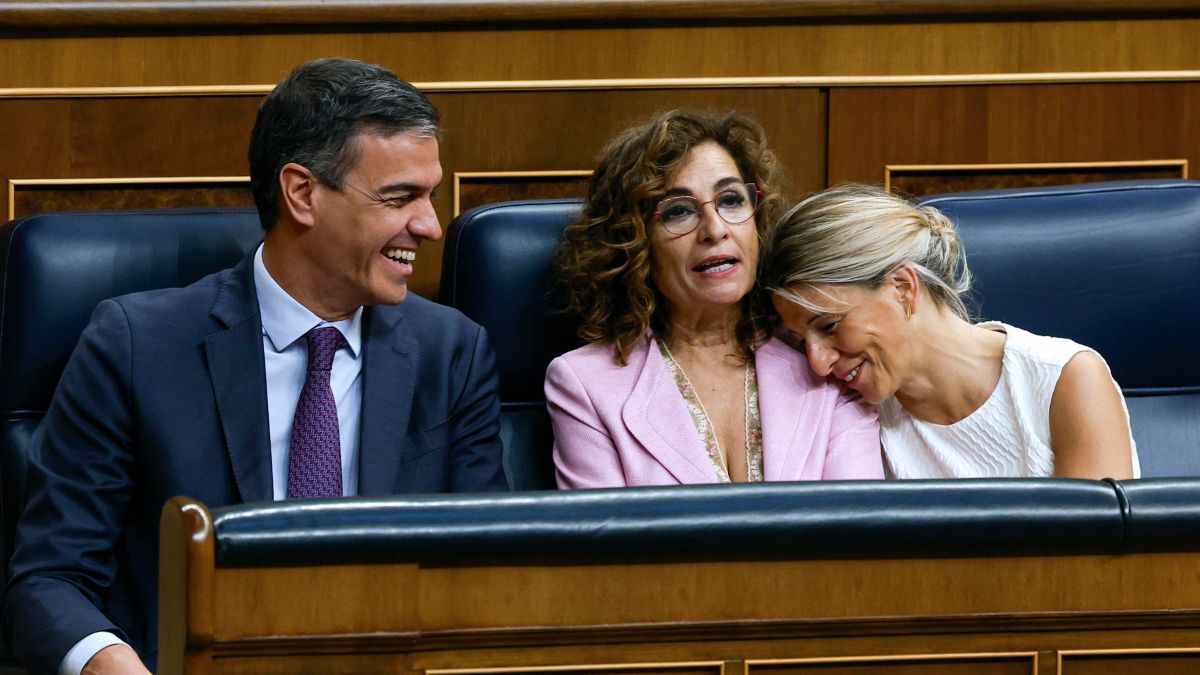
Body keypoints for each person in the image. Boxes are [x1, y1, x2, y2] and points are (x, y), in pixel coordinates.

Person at [2, 58, 507, 675]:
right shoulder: (136, 344)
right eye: (400, 197)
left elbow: (487, 571)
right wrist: (113, 664)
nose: (429, 225)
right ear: (302, 193)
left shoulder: (451, 351)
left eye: (429, 195)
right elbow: (48, 580)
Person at [546, 110, 883, 488]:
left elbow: (853, 532)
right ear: (635, 242)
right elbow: (606, 543)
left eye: (731, 200)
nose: (715, 229)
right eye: (678, 211)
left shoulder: (825, 360)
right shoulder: (585, 385)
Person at [759, 184, 1140, 480]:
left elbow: (1095, 570)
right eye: (800, 341)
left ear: (903, 287)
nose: (819, 363)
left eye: (829, 325)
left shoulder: (1065, 379)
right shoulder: (851, 413)